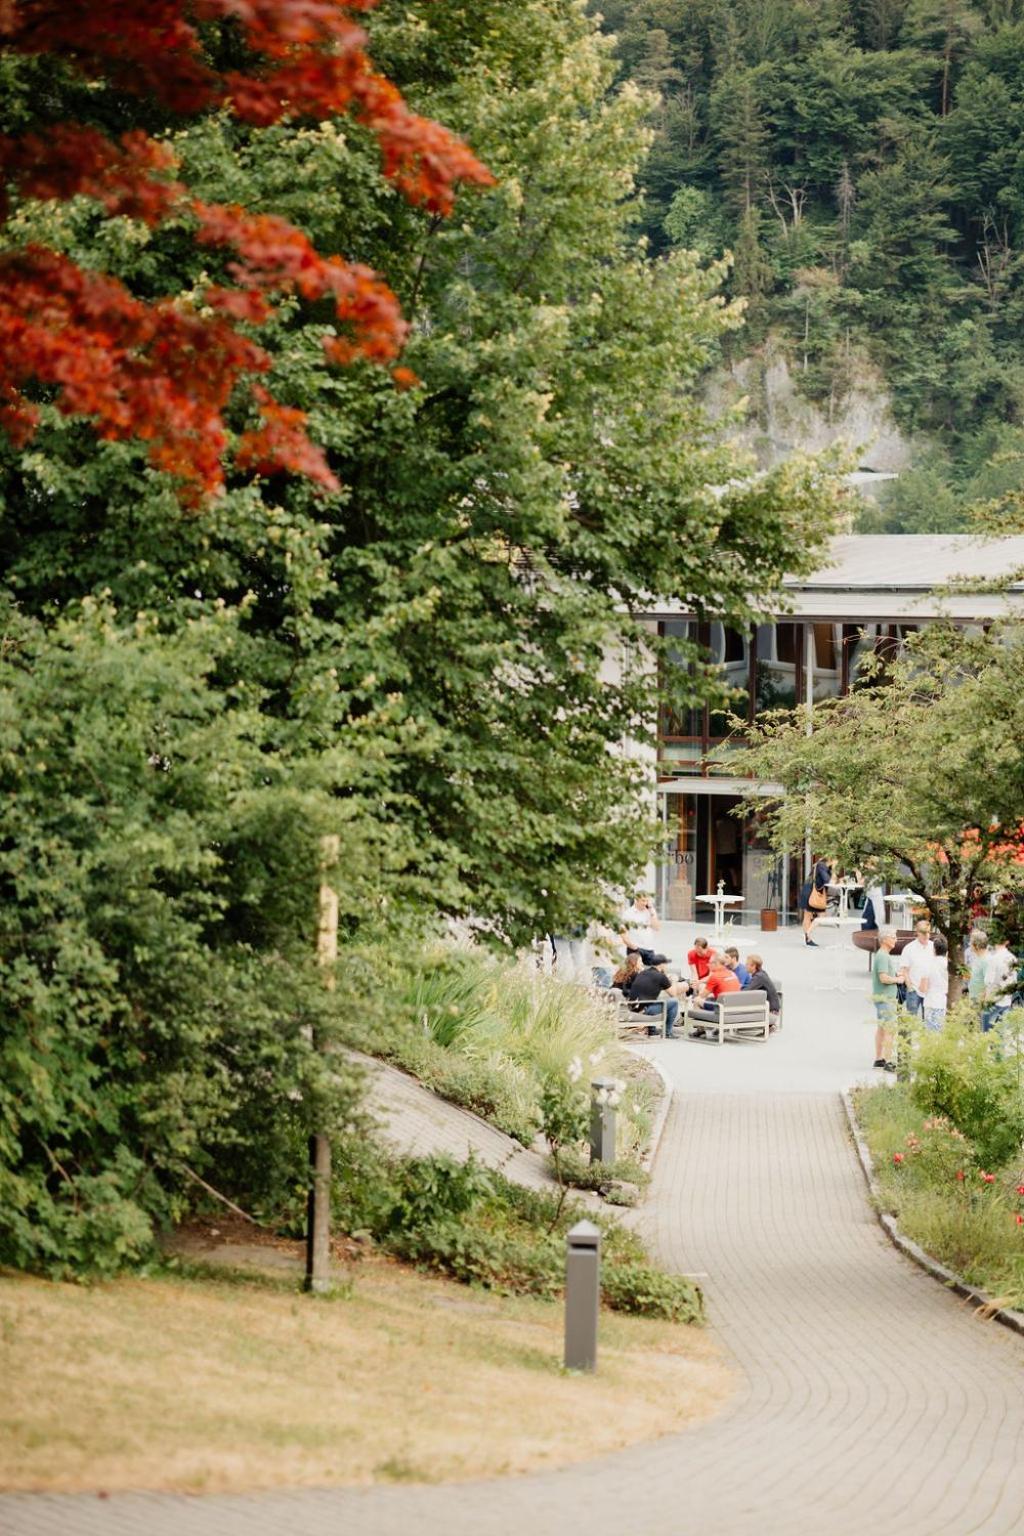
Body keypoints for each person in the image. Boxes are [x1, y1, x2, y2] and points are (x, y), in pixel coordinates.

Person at [625, 954, 681, 1038]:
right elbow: (673, 994)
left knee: (654, 998)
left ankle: (652, 1030)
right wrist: (674, 980)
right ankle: (668, 1033)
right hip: (645, 1011)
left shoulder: (643, 973)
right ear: (661, 965)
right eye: (665, 964)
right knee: (674, 1002)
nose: (666, 966)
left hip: (634, 1007)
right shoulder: (661, 976)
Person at [871, 926, 900, 1070]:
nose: (896, 939)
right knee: (889, 1030)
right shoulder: (883, 955)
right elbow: (883, 977)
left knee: (882, 1028)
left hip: (881, 997)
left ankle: (879, 1058)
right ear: (885, 939)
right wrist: (897, 979)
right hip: (885, 998)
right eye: (893, 936)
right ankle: (888, 1061)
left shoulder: (882, 955)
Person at [899, 919, 934, 1018]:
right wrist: (910, 987)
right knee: (910, 1020)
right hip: (914, 989)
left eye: (928, 932)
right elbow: (904, 969)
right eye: (923, 933)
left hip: (929, 990)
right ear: (917, 933)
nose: (927, 935)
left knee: (927, 1020)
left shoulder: (933, 947)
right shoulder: (909, 948)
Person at [619, 891, 661, 966]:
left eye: (647, 901)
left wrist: (651, 912)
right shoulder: (628, 913)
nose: (645, 903)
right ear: (636, 900)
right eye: (643, 900)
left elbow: (657, 927)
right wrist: (632, 947)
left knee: (650, 974)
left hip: (649, 949)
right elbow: (622, 932)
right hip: (635, 949)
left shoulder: (650, 911)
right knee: (635, 974)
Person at [918, 934, 948, 1032]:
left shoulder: (928, 964)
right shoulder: (948, 965)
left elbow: (923, 988)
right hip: (943, 1002)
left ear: (934, 949)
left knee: (931, 1035)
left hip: (931, 1002)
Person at [799, 854, 831, 946]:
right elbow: (827, 880)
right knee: (821, 916)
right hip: (812, 893)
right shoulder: (822, 865)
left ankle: (807, 938)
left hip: (808, 890)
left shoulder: (819, 865)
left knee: (807, 915)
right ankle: (808, 935)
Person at [744, 953, 781, 1031]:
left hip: (770, 1014)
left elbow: (745, 993)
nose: (745, 966)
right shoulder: (762, 973)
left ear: (753, 966)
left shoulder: (758, 977)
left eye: (747, 964)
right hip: (773, 1011)